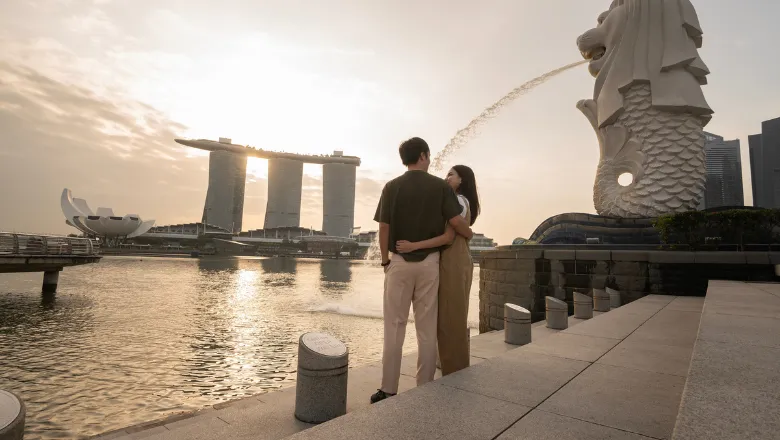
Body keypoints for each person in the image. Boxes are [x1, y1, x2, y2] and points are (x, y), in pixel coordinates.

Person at [371, 138, 473, 404]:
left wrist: (385, 261)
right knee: (426, 328)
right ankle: (424, 385)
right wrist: (469, 231)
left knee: (394, 326)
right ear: (424, 156)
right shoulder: (440, 187)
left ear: (405, 158)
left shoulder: (391, 186)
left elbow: (383, 228)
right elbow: (454, 224)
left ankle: (388, 388)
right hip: (430, 264)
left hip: (398, 262)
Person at [396, 165, 480, 376]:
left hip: (453, 262)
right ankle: (453, 368)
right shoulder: (456, 200)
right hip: (455, 261)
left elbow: (450, 235)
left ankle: (455, 372)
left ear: (462, 181)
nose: (446, 177)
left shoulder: (458, 200)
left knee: (451, 319)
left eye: (451, 174)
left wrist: (413, 246)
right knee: (451, 317)